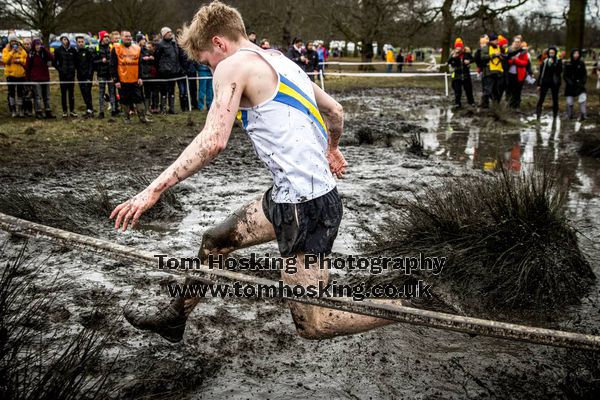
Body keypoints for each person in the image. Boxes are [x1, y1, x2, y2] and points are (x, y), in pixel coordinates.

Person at [108, 2, 410, 345]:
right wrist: (332, 147)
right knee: (215, 242)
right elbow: (335, 111)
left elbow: (213, 141)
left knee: (314, 323)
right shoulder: (281, 61)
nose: (211, 71)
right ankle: (175, 318)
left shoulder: (233, 65)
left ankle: (405, 304)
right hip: (290, 198)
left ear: (220, 43)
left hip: (307, 209)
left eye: (208, 62)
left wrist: (154, 189)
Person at [110, 30, 151, 123]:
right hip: (122, 80)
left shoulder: (137, 48)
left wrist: (140, 77)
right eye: (126, 36)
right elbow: (112, 65)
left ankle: (142, 117)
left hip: (135, 79)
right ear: (121, 38)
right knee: (125, 100)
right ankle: (126, 117)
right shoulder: (116, 48)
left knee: (139, 98)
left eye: (129, 36)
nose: (128, 38)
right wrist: (116, 80)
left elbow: (139, 64)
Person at [25, 38, 55, 119]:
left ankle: (48, 111)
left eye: (39, 44)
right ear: (33, 46)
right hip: (35, 79)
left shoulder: (44, 53)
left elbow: (52, 58)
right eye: (36, 45)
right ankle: (38, 112)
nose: (38, 46)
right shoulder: (31, 54)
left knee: (47, 96)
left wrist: (44, 49)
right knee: (37, 96)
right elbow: (27, 68)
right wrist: (28, 80)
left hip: (45, 77)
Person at [155, 26, 181, 114]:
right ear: (163, 34)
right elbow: (157, 58)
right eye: (167, 32)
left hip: (173, 71)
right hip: (164, 72)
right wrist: (160, 68)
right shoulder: (160, 44)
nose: (170, 33)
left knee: (172, 90)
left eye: (170, 32)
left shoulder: (174, 43)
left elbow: (177, 56)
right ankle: (163, 108)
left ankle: (172, 108)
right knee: (163, 90)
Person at [2, 33, 28, 118]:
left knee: (20, 93)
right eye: (12, 41)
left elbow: (25, 59)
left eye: (15, 41)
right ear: (10, 42)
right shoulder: (6, 50)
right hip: (10, 75)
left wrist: (19, 60)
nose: (13, 42)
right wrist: (12, 52)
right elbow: (5, 60)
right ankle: (13, 110)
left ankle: (20, 110)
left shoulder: (21, 49)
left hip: (21, 75)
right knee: (11, 93)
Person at [53, 35, 78, 117]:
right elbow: (54, 62)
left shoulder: (73, 50)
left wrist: (74, 68)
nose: (65, 41)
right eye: (64, 39)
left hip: (71, 75)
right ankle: (64, 111)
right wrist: (60, 70)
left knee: (71, 94)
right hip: (63, 75)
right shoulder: (58, 50)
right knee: (63, 94)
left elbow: (76, 61)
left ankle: (72, 110)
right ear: (61, 41)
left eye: (66, 39)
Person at [535, 46, 562, 120]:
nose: (551, 54)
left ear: (555, 53)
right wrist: (538, 84)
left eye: (553, 53)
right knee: (541, 98)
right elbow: (541, 73)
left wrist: (553, 64)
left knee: (555, 99)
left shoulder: (558, 61)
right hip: (545, 82)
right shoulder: (545, 61)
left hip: (554, 82)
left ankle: (555, 114)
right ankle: (538, 112)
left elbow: (559, 71)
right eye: (550, 53)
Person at [448, 38, 474, 108]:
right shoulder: (453, 54)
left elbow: (473, 59)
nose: (458, 48)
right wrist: (453, 58)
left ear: (462, 47)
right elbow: (449, 62)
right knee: (457, 90)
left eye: (459, 46)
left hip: (466, 74)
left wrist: (469, 61)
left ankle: (471, 102)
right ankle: (457, 103)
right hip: (456, 74)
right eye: (457, 46)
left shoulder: (467, 53)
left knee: (468, 89)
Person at [95, 31, 116, 118]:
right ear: (101, 38)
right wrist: (101, 61)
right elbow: (94, 61)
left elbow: (114, 60)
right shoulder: (97, 48)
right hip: (101, 74)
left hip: (110, 74)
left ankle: (114, 110)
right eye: (105, 37)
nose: (107, 38)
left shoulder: (111, 47)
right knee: (101, 93)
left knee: (112, 92)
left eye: (108, 37)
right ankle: (101, 112)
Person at [479, 33, 503, 109]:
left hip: (497, 72)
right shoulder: (485, 48)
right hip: (488, 73)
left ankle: (495, 107)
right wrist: (494, 55)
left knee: (496, 91)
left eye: (497, 40)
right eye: (496, 40)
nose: (497, 42)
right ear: (491, 41)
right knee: (487, 91)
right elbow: (483, 57)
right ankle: (484, 106)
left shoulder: (498, 47)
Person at [563, 48, 587, 121]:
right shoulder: (568, 63)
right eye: (574, 53)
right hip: (570, 85)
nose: (576, 55)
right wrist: (570, 82)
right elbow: (565, 75)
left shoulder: (581, 63)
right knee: (569, 102)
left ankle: (583, 115)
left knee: (582, 98)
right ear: (572, 54)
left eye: (577, 53)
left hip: (580, 85)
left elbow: (584, 74)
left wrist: (582, 82)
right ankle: (569, 115)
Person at [506, 37, 529, 110]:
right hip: (509, 74)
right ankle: (509, 106)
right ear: (513, 42)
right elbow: (506, 62)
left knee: (517, 91)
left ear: (520, 43)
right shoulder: (509, 50)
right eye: (515, 42)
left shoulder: (523, 52)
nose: (517, 43)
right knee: (509, 90)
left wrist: (516, 60)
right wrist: (511, 61)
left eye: (518, 42)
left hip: (519, 75)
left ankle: (517, 106)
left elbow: (525, 63)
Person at [75, 36, 95, 117]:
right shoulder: (76, 53)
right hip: (80, 76)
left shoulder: (88, 51)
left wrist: (89, 76)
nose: (80, 43)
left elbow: (91, 64)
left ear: (84, 42)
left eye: (82, 42)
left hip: (88, 76)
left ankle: (90, 109)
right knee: (83, 93)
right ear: (76, 43)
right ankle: (88, 109)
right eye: (79, 42)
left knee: (87, 93)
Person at [140, 38, 159, 114]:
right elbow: (138, 59)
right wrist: (143, 58)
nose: (144, 41)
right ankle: (143, 109)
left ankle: (149, 108)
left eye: (145, 40)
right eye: (142, 40)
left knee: (150, 92)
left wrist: (152, 58)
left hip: (150, 74)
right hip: (143, 74)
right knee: (144, 92)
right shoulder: (139, 50)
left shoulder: (150, 51)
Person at [21, 38, 34, 117]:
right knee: (23, 94)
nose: (26, 45)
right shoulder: (21, 52)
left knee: (30, 93)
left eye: (28, 44)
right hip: (22, 75)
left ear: (30, 44)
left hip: (31, 76)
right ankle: (24, 109)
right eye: (25, 44)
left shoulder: (32, 52)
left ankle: (30, 110)